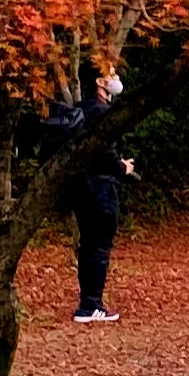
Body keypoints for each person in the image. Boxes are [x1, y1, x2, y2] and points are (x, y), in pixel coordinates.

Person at [45, 71, 136, 325]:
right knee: (98, 247)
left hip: (83, 188)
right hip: (100, 189)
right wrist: (122, 168)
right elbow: (103, 152)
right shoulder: (99, 111)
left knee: (89, 246)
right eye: (111, 74)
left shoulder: (83, 109)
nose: (117, 78)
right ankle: (91, 304)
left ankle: (89, 302)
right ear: (99, 82)